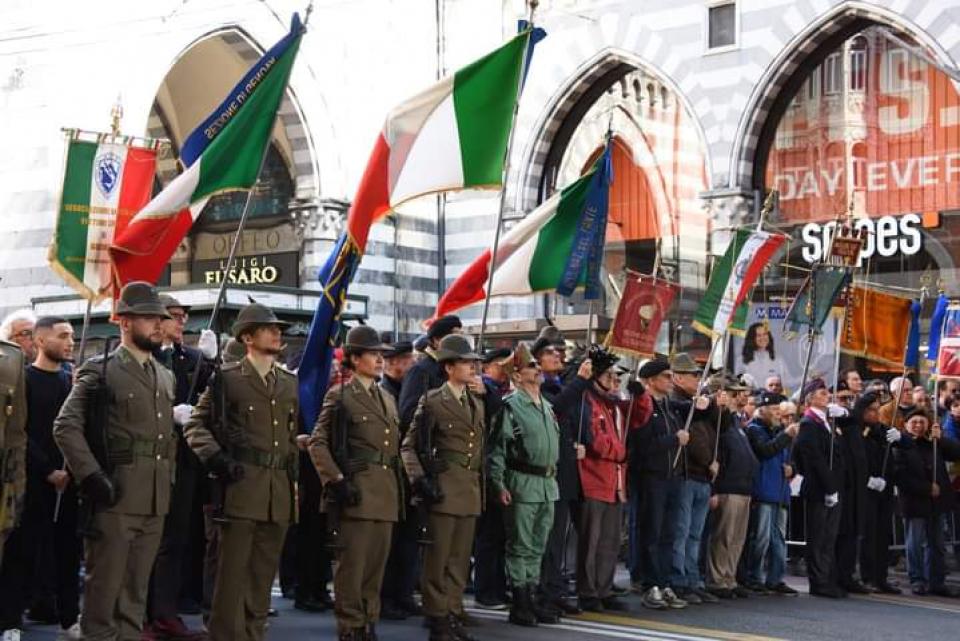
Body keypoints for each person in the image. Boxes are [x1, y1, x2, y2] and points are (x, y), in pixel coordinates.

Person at [53, 282, 176, 639]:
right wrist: (90, 476)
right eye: (149, 318)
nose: (158, 324)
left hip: (154, 497)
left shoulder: (164, 375)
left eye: (160, 318)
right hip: (114, 494)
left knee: (135, 594)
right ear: (124, 321)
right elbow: (66, 426)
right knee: (104, 593)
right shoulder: (101, 370)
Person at [184, 303, 299, 641]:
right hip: (239, 486)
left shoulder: (288, 382)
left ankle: (252, 633)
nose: (278, 333)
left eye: (278, 329)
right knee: (231, 576)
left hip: (276, 490)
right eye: (269, 328)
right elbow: (195, 425)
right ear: (247, 337)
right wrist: (216, 458)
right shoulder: (228, 378)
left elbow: (290, 439)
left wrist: (293, 490)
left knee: (263, 575)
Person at [309, 325, 401, 641]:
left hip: (385, 492)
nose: (379, 360)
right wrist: (335, 480)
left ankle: (368, 622)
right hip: (356, 491)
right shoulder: (341, 395)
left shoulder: (387, 398)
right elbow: (317, 442)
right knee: (353, 567)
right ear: (354, 358)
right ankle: (350, 626)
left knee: (375, 568)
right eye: (373, 354)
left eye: (380, 355)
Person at [401, 334, 484, 641]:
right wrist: (420, 480)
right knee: (438, 559)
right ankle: (437, 619)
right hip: (445, 489)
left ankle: (451, 612)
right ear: (449, 368)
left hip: (470, 489)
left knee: (460, 560)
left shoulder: (476, 402)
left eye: (472, 362)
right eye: (465, 362)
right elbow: (408, 447)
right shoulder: (433, 401)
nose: (472, 367)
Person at [144, 295, 215, 641]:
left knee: (176, 540)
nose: (180, 322)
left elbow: (208, 398)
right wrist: (168, 413)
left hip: (183, 460)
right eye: (174, 316)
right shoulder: (148, 356)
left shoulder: (190, 358)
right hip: (151, 460)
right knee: (146, 541)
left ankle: (164, 613)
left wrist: (212, 363)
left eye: (184, 316)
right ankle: (141, 614)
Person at [0, 317, 75, 641]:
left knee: (67, 552)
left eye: (72, 335)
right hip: (30, 480)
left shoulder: (71, 380)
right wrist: (47, 470)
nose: (70, 342)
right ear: (41, 341)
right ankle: (10, 622)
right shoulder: (24, 379)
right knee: (21, 553)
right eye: (63, 336)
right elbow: (19, 432)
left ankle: (69, 617)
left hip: (67, 479)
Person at [488, 344, 560, 626]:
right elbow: (497, 450)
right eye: (531, 367)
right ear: (516, 376)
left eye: (537, 367)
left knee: (538, 545)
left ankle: (531, 596)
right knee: (520, 545)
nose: (538, 370)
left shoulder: (547, 406)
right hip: (522, 481)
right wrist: (498, 484)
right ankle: (519, 602)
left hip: (546, 483)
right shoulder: (511, 406)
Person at [574, 347, 650, 613]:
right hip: (594, 479)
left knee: (609, 542)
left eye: (617, 379)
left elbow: (639, 418)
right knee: (591, 542)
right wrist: (622, 452)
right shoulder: (589, 401)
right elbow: (595, 441)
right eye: (610, 378)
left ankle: (604, 588)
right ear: (595, 378)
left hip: (615, 482)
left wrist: (640, 395)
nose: (615, 383)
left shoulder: (615, 405)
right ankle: (587, 590)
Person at [535, 332, 590, 617]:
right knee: (546, 539)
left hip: (564, 472)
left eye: (559, 352)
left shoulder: (558, 385)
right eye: (549, 353)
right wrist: (580, 380)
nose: (557, 355)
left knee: (558, 538)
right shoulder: (539, 389)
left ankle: (554, 590)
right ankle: (542, 593)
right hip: (547, 475)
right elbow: (556, 409)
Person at [632, 358, 688, 611]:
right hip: (652, 476)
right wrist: (673, 439)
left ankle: (665, 582)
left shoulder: (669, 407)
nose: (670, 380)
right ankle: (650, 584)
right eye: (666, 376)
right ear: (651, 380)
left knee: (669, 533)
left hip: (672, 476)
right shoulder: (644, 406)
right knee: (652, 533)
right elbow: (643, 446)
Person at [666, 353, 717, 606]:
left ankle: (693, 580)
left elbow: (717, 428)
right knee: (682, 532)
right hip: (686, 474)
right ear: (677, 377)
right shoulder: (677, 403)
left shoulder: (698, 403)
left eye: (699, 375)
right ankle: (679, 580)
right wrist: (708, 461)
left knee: (695, 534)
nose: (698, 379)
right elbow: (693, 440)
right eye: (693, 375)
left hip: (702, 477)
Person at [894, 409, 960, 596]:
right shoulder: (900, 445)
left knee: (937, 544)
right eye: (914, 422)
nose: (918, 426)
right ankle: (917, 579)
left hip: (937, 502)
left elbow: (956, 453)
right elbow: (901, 475)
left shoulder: (934, 443)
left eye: (922, 422)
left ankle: (936, 581)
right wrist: (925, 488)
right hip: (915, 502)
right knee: (915, 543)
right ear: (906, 425)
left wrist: (942, 438)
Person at [792, 378, 847, 598]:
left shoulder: (826, 422)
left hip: (830, 486)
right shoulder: (809, 424)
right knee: (819, 537)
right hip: (819, 488)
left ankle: (827, 578)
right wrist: (830, 488)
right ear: (811, 398)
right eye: (823, 393)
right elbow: (815, 460)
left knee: (828, 537)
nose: (828, 396)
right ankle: (819, 582)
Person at [706, 377, 759, 599]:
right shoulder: (718, 420)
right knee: (723, 536)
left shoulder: (735, 421)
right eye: (733, 392)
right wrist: (714, 489)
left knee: (737, 539)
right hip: (727, 486)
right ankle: (718, 579)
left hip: (743, 487)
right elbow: (717, 455)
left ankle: (729, 576)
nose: (738, 396)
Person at [379, 337, 420, 620]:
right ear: (393, 363)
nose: (413, 364)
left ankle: (404, 594)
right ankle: (386, 597)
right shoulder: (383, 393)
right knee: (388, 543)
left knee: (409, 539)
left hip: (409, 475)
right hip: (388, 475)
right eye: (408, 360)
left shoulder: (409, 389)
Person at [743, 391, 797, 596]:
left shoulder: (780, 431)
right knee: (761, 537)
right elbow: (765, 451)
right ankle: (754, 575)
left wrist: (792, 468)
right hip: (764, 490)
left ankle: (775, 578)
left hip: (780, 491)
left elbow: (791, 458)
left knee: (778, 539)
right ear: (762, 409)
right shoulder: (754, 430)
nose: (777, 414)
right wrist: (786, 436)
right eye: (773, 410)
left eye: (778, 410)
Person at [473, 347, 513, 611]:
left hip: (500, 467)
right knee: (488, 536)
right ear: (486, 367)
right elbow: (496, 413)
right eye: (501, 364)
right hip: (484, 467)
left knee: (499, 534)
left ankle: (498, 586)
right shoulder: (483, 389)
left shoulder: (497, 390)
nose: (506, 369)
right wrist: (487, 392)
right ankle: (486, 589)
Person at [859, 392, 904, 594]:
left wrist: (901, 437)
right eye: (871, 410)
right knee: (869, 535)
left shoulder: (883, 430)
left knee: (883, 535)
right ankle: (868, 577)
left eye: (878, 409)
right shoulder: (859, 431)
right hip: (866, 489)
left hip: (884, 488)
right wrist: (867, 478)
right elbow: (855, 459)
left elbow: (908, 446)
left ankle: (881, 577)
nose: (876, 414)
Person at [835, 383, 871, 595]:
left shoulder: (853, 422)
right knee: (839, 534)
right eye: (842, 398)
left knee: (852, 533)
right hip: (841, 486)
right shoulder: (836, 421)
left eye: (849, 398)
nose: (845, 403)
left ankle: (846, 575)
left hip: (857, 486)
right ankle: (835, 576)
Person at [398, 315, 462, 431]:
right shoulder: (420, 371)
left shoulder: (459, 370)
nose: (460, 342)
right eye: (454, 337)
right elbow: (408, 415)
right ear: (436, 341)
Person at [739, 323, 782, 390]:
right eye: (758, 335)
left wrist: (802, 379)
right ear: (752, 338)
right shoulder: (741, 360)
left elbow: (787, 381)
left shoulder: (777, 359)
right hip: (751, 399)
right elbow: (737, 384)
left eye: (765, 334)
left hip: (773, 399)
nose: (763, 338)